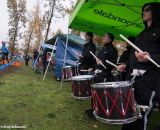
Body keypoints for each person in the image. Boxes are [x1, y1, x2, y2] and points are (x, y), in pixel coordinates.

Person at [117, 2, 160, 130]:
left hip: (149, 82)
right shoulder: (141, 34)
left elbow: (149, 57)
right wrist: (126, 65)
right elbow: (133, 55)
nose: (144, 12)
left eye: (148, 9)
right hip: (132, 79)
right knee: (128, 114)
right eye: (143, 10)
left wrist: (150, 57)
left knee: (140, 119)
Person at [86, 33, 118, 118]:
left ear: (110, 39)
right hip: (97, 74)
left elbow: (111, 65)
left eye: (106, 36)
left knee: (100, 94)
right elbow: (97, 60)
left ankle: (98, 112)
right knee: (94, 92)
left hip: (104, 75)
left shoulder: (113, 50)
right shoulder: (103, 48)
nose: (104, 37)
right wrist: (92, 68)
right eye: (104, 36)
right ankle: (93, 108)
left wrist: (101, 63)